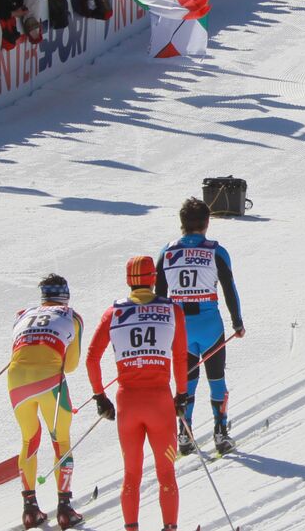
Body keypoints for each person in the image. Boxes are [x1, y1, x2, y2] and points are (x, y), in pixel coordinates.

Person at [86, 257, 188, 531]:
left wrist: (100, 397)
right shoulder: (172, 310)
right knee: (166, 472)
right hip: (160, 404)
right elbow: (180, 358)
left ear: (128, 280)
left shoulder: (113, 312)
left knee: (131, 474)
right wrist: (182, 395)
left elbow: (92, 358)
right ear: (153, 278)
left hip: (128, 403)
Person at [155, 197, 245, 455]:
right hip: (210, 324)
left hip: (179, 325)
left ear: (182, 224)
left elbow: (159, 294)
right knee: (217, 379)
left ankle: (185, 433)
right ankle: (220, 432)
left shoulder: (167, 251)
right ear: (207, 223)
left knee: (187, 382)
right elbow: (230, 289)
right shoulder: (216, 251)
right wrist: (237, 323)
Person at [8, 274, 85, 530]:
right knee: (60, 439)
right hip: (49, 379)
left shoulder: (24, 313)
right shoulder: (72, 317)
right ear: (66, 295)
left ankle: (29, 509)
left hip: (17, 377)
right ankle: (65, 508)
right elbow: (71, 365)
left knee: (29, 439)